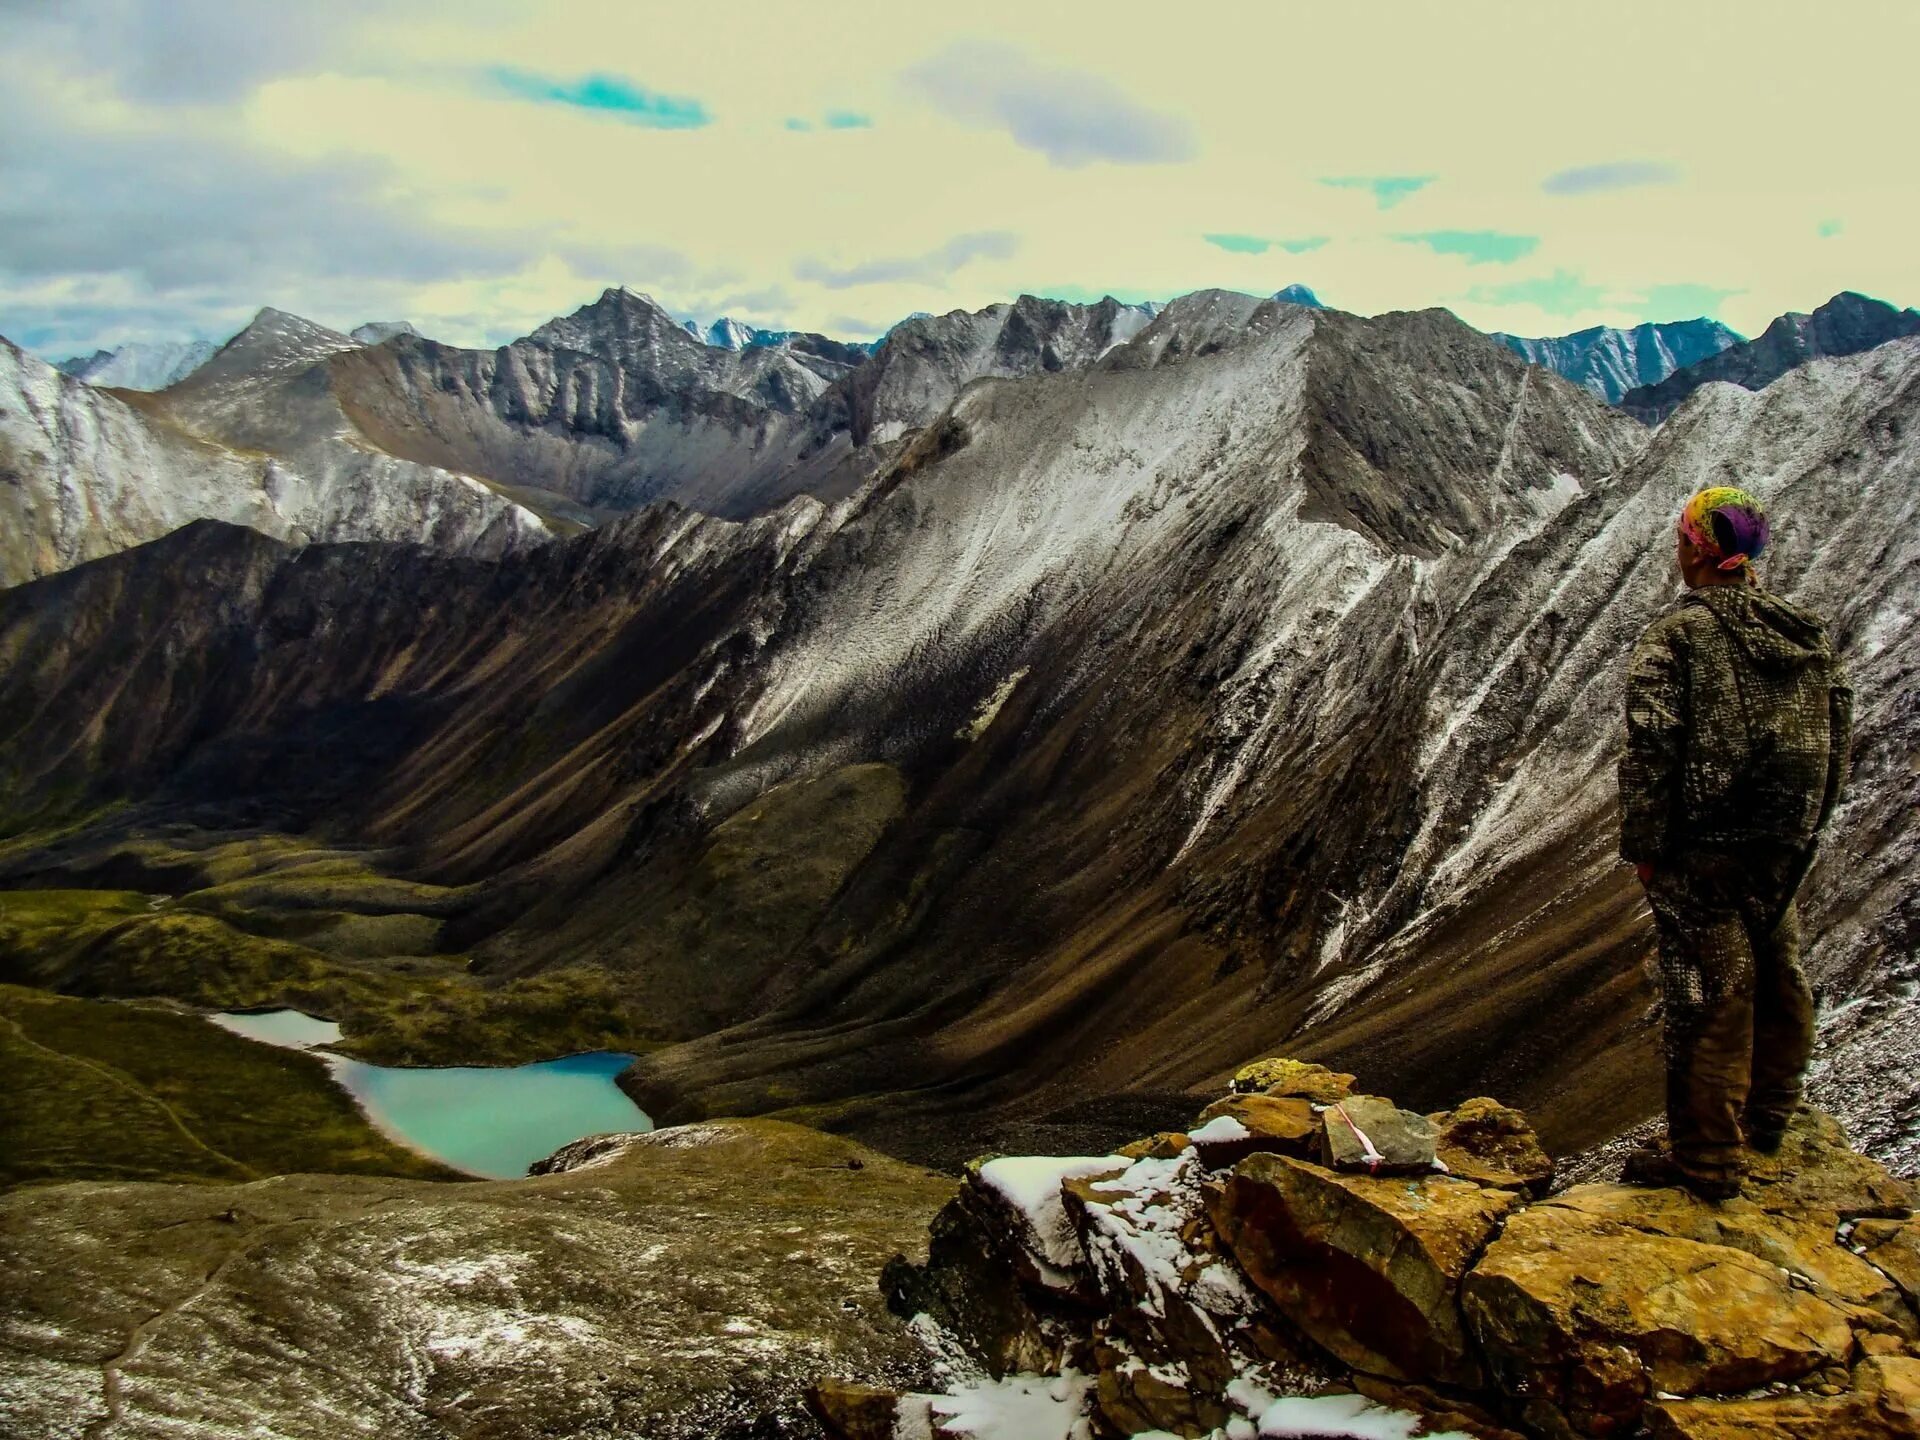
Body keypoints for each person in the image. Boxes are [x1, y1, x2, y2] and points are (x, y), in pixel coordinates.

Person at [1617, 486, 1852, 1201]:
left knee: (1706, 996)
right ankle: (1770, 1116)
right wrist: (1807, 830)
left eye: (1683, 538)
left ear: (1695, 548)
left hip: (1703, 849)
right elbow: (1839, 734)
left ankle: (1708, 1161)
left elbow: (1652, 749)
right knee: (1779, 969)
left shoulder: (1678, 637)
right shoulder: (1804, 632)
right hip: (1782, 843)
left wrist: (1646, 847)